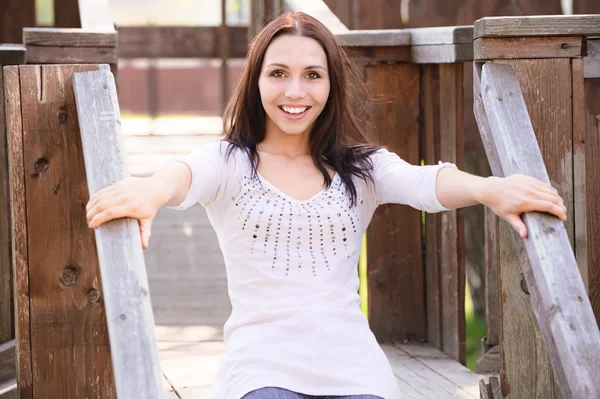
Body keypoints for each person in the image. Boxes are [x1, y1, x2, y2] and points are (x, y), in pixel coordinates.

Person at [85, 12, 566, 399]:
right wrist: (148, 190)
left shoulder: (361, 168)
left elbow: (425, 182)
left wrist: (489, 188)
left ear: (331, 84)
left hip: (351, 368)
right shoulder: (232, 162)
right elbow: (182, 175)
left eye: (312, 75)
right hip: (260, 369)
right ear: (256, 81)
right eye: (279, 74)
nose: (295, 92)